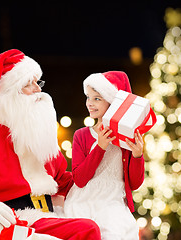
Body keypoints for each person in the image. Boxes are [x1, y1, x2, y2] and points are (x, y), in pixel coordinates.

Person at [0, 49, 101, 240]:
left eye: (36, 82)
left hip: (49, 214)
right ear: (8, 92)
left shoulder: (38, 131)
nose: (38, 90)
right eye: (27, 84)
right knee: (86, 230)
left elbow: (61, 180)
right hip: (15, 222)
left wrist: (99, 178)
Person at [64, 71, 145, 240]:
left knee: (118, 233)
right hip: (84, 201)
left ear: (113, 103)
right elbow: (79, 179)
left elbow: (135, 183)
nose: (89, 103)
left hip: (114, 203)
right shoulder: (82, 135)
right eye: (88, 97)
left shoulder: (127, 140)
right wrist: (100, 147)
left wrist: (137, 156)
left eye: (97, 99)